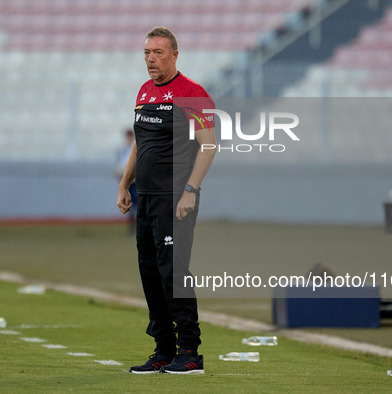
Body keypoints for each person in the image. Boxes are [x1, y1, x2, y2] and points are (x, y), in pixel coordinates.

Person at [117, 26, 216, 375]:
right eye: (146, 53)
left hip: (175, 199)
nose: (151, 59)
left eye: (158, 52)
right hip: (146, 198)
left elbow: (209, 145)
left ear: (175, 55)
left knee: (174, 273)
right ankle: (163, 349)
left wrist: (190, 190)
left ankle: (190, 352)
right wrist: (124, 184)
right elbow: (139, 144)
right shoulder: (144, 92)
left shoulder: (192, 93)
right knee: (150, 273)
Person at [115, 129, 138, 234]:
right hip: (127, 181)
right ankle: (131, 226)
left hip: (137, 180)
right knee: (129, 204)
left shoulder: (136, 148)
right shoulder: (123, 150)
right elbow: (120, 164)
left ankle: (139, 225)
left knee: (138, 204)